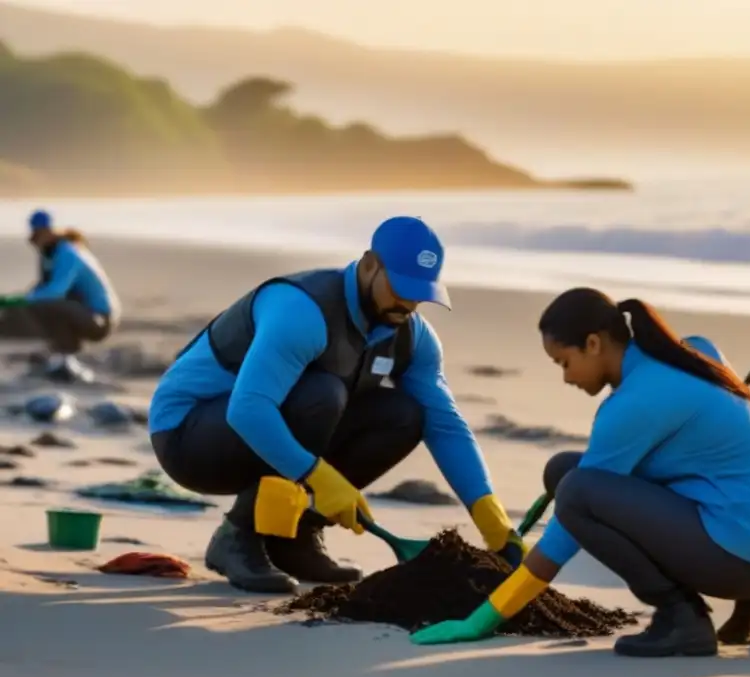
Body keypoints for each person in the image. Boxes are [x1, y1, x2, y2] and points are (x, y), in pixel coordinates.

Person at [409, 288, 750, 657]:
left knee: (578, 490)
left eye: (564, 362)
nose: (566, 377)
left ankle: (681, 618)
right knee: (565, 471)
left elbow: (568, 525)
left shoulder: (630, 406)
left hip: (749, 562)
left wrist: (484, 618)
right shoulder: (692, 351)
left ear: (593, 343)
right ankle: (748, 613)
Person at [148, 216, 525, 594]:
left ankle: (295, 536)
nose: (409, 303)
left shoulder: (413, 336)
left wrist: (489, 514)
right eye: (401, 287)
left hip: (271, 429)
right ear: (368, 265)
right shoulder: (303, 310)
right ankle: (238, 536)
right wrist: (319, 477)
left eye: (421, 292)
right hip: (189, 436)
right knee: (322, 394)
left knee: (406, 415)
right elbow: (247, 410)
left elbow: (445, 425)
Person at [0, 209, 120, 381]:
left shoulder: (67, 253)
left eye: (38, 234)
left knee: (47, 305)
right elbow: (40, 289)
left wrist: (18, 300)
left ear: (49, 232)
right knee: (33, 309)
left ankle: (66, 359)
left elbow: (55, 292)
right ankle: (60, 356)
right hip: (81, 311)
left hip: (100, 319)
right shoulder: (48, 254)